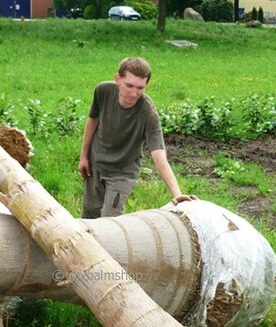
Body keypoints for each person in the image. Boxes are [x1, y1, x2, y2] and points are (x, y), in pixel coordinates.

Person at [78, 57, 197, 219]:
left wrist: (177, 194)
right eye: (129, 86)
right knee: (90, 213)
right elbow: (93, 120)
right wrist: (84, 156)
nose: (134, 93)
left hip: (122, 172)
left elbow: (159, 155)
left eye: (140, 88)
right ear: (118, 79)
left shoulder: (148, 112)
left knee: (109, 220)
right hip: (96, 163)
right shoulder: (103, 91)